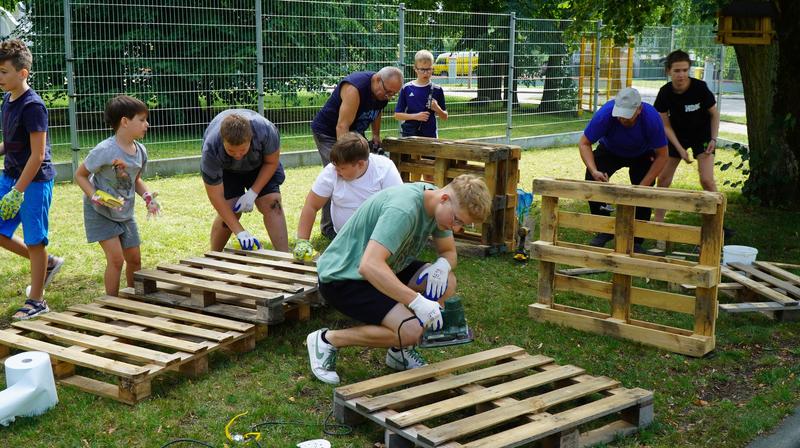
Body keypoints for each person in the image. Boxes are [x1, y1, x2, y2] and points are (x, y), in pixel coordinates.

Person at [305, 174, 492, 385]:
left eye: (462, 225)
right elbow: (369, 265)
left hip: (385, 267)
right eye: (457, 220)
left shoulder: (436, 202)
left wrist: (443, 265)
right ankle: (326, 340)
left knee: (446, 281)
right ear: (444, 199)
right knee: (411, 330)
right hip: (344, 276)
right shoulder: (403, 209)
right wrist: (417, 302)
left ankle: (398, 352)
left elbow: (448, 252)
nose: (456, 228)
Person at [0, 39, 64, 320]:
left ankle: (37, 300)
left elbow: (37, 155)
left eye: (3, 71)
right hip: (11, 175)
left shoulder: (33, 106)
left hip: (33, 181)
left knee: (35, 240)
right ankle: (47, 264)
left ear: (22, 73)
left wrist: (18, 191)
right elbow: (14, 142)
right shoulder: (7, 99)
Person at [75, 95, 161, 296]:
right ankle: (111, 306)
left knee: (135, 259)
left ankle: (134, 297)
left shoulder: (141, 151)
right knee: (116, 260)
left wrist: (148, 198)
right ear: (124, 121)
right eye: (141, 120)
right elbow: (80, 175)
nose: (146, 124)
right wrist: (94, 195)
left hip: (125, 213)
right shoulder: (105, 150)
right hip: (100, 213)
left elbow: (135, 180)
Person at [310, 67, 403, 239]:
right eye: (388, 92)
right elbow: (342, 126)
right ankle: (329, 227)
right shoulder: (355, 89)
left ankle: (358, 221)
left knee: (357, 172)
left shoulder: (382, 91)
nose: (389, 97)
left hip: (354, 133)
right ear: (376, 80)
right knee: (339, 174)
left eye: (393, 94)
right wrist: (345, 157)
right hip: (330, 133)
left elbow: (377, 110)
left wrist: (375, 134)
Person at [579, 87, 668, 251]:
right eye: (619, 114)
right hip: (610, 150)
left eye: (627, 116)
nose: (622, 119)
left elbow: (662, 155)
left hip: (642, 153)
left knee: (643, 191)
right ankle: (603, 229)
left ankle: (636, 239)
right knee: (592, 180)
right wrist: (593, 170)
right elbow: (584, 143)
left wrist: (643, 185)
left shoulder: (652, 118)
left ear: (639, 109)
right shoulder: (605, 114)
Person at [293, 132, 402, 262]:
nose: (336, 172)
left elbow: (397, 209)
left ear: (360, 164)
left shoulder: (385, 169)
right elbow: (311, 205)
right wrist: (302, 241)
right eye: (335, 167)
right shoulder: (332, 170)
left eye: (342, 168)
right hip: (343, 239)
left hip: (379, 242)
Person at [653, 50, 724, 229]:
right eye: (677, 71)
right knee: (663, 179)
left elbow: (714, 114)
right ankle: (658, 226)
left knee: (707, 180)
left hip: (703, 135)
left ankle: (718, 224)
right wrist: (679, 149)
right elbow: (665, 125)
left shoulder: (700, 88)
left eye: (685, 70)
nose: (681, 75)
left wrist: (713, 139)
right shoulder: (665, 93)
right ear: (668, 71)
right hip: (677, 136)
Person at [201, 109, 288, 253]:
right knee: (230, 210)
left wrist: (253, 192)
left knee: (273, 203)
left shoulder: (266, 131)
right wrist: (240, 232)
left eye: (242, 150)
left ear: (251, 139)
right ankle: (213, 256)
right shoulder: (211, 148)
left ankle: (285, 258)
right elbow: (215, 196)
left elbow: (271, 162)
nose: (237, 156)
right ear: (223, 141)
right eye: (231, 151)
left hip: (260, 165)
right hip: (227, 170)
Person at [394, 50, 448, 138]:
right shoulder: (407, 88)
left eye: (429, 69)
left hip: (430, 136)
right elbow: (397, 115)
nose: (426, 73)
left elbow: (445, 117)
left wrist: (437, 109)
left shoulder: (437, 89)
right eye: (422, 69)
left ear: (432, 68)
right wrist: (416, 116)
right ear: (415, 68)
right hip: (410, 135)